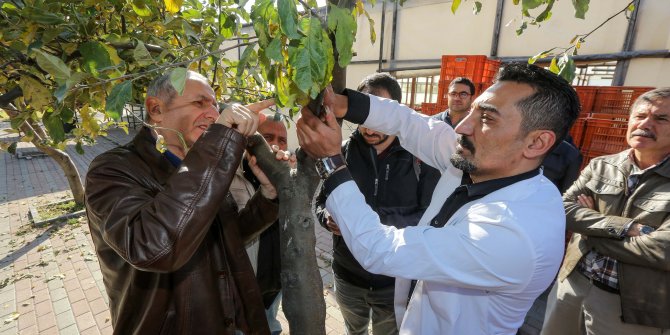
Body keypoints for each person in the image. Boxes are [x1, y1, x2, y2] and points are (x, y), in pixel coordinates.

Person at [296, 63, 580, 334]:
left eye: (487, 118)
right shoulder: (485, 164)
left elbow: (381, 249)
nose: (462, 127)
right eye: (473, 111)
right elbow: (412, 125)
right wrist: (345, 104)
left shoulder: (515, 233)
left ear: (536, 142)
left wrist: (330, 161)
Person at [85, 70, 282, 334]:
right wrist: (220, 141)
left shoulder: (199, 163)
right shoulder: (111, 168)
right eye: (200, 103)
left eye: (214, 104)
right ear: (156, 109)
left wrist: (268, 197)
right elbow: (152, 245)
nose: (213, 114)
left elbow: (227, 235)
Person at [315, 73, 440, 335]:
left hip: (395, 282)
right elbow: (322, 199)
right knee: (354, 330)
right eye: (363, 119)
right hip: (348, 277)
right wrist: (326, 215)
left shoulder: (421, 157)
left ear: (394, 113)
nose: (370, 129)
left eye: (377, 119)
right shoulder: (342, 151)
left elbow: (430, 218)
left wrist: (362, 221)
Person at [541, 87, 670, 335]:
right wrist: (626, 228)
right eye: (640, 116)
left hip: (631, 306)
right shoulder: (602, 166)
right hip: (573, 284)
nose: (645, 124)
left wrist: (590, 232)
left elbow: (663, 251)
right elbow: (562, 209)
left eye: (661, 118)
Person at [241, 114, 289, 335]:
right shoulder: (232, 177)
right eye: (267, 136)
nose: (275, 145)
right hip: (242, 290)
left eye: (282, 140)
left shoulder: (287, 177)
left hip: (274, 287)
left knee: (270, 326)